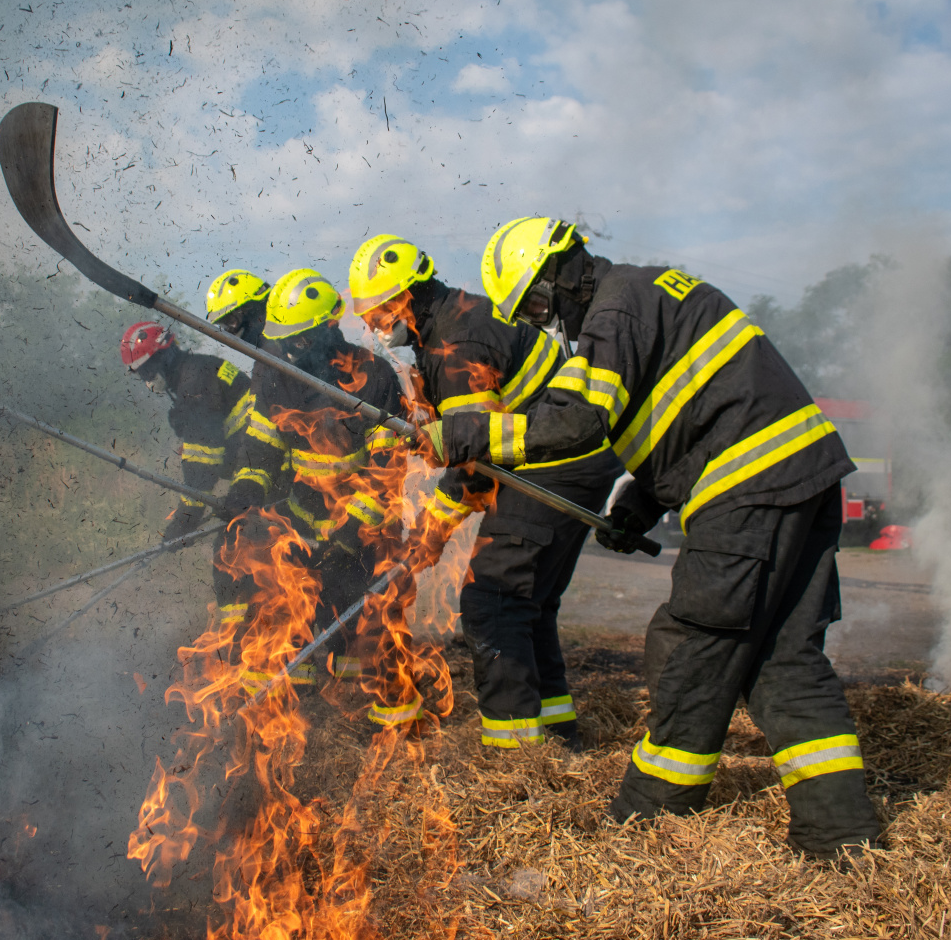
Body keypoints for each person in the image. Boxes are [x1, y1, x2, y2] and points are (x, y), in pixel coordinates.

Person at [435, 216, 880, 859]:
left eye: (537, 305)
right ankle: (841, 835)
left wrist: (474, 434)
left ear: (560, 271)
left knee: (690, 644)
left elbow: (579, 419)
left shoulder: (615, 308)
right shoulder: (650, 295)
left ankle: (650, 819)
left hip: (747, 486)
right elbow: (691, 414)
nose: (546, 322)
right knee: (783, 658)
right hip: (801, 478)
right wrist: (639, 504)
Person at [347, 234, 623, 750]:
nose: (374, 328)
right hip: (575, 459)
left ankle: (515, 754)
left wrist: (429, 534)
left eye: (379, 314)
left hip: (551, 465)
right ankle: (557, 731)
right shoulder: (455, 320)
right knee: (529, 602)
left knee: (492, 600)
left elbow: (476, 461)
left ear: (406, 297)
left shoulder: (457, 344)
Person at [221, 269, 420, 726]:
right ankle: (297, 708)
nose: (291, 351)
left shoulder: (372, 376)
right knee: (287, 604)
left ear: (329, 328)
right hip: (304, 515)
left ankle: (393, 719)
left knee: (370, 618)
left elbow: (387, 467)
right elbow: (262, 445)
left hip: (366, 521)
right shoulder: (276, 375)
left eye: (300, 341)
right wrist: (247, 486)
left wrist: (353, 532)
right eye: (284, 342)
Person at [120, 321, 252, 542]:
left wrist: (183, 522)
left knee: (234, 546)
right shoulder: (198, 368)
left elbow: (202, 467)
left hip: (263, 460)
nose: (147, 381)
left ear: (161, 360)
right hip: (262, 457)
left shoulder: (193, 386)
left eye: (146, 372)